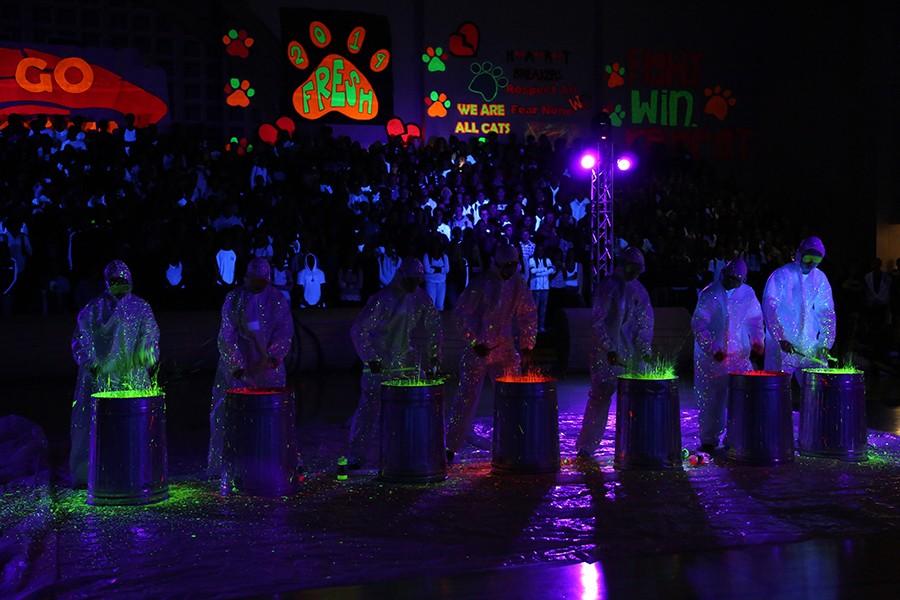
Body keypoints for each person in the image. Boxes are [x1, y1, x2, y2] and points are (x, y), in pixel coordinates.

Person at [70, 260, 160, 486]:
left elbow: (151, 337)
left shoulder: (141, 307)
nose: (120, 286)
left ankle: (133, 471)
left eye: (123, 281)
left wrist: (145, 355)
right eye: (115, 281)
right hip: (100, 382)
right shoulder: (93, 310)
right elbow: (81, 341)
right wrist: (93, 365)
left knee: (134, 428)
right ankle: (91, 475)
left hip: (133, 380)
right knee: (94, 428)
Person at [348, 258, 442, 467]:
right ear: (402, 276)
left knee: (414, 406)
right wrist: (371, 358)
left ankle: (410, 448)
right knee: (370, 408)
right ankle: (357, 453)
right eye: (410, 280)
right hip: (380, 361)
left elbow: (434, 328)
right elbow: (358, 330)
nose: (413, 285)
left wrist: (434, 357)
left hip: (405, 361)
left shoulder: (420, 299)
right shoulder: (383, 299)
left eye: (417, 281)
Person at [447, 243, 537, 460]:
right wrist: (473, 341)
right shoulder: (481, 284)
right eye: (505, 266)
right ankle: (450, 446)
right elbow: (460, 314)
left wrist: (527, 346)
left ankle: (512, 440)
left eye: (512, 266)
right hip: (480, 349)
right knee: (466, 397)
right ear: (496, 264)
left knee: (511, 396)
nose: (509, 270)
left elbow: (528, 315)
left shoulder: (518, 285)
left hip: (504, 347)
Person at [207, 258, 294, 476]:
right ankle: (227, 466)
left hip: (268, 371)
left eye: (261, 282)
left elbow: (284, 332)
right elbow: (227, 335)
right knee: (226, 416)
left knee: (270, 418)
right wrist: (237, 366)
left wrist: (273, 357)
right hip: (236, 372)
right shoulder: (234, 299)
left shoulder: (277, 301)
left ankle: (269, 463)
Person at [576, 248, 654, 459]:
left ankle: (635, 443)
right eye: (634, 268)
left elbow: (644, 324)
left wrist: (644, 350)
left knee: (634, 398)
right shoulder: (608, 288)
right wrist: (608, 348)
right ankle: (587, 446)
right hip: (606, 354)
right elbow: (598, 321)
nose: (636, 272)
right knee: (600, 396)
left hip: (629, 353)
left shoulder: (638, 291)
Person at [691, 258, 765, 452]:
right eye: (730, 277)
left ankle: (735, 437)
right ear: (723, 274)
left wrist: (758, 342)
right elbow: (699, 324)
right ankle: (709, 439)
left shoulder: (747, 294)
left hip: (738, 356)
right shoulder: (710, 294)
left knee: (739, 398)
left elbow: (755, 320)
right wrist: (712, 349)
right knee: (711, 399)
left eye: (737, 279)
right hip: (712, 361)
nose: (732, 282)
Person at [763, 236, 836, 387]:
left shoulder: (820, 278)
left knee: (817, 389)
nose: (811, 263)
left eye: (816, 259)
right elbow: (770, 308)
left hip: (809, 345)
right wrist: (780, 337)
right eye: (809, 257)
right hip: (783, 347)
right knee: (776, 390)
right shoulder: (781, 275)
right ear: (800, 254)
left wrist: (825, 343)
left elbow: (826, 312)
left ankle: (812, 411)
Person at [529, 245, 555, 333]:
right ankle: (534, 327)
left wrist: (539, 271)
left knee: (543, 308)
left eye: (542, 250)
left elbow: (552, 270)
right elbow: (532, 271)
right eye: (539, 250)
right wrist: (545, 270)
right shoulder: (532, 260)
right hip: (536, 288)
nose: (540, 252)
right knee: (535, 308)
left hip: (545, 287)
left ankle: (541, 326)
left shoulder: (547, 260)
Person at [424, 239, 450, 311]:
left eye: (438, 245)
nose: (436, 247)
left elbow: (447, 270)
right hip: (430, 282)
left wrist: (434, 269)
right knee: (430, 303)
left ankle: (439, 321)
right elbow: (427, 270)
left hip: (442, 282)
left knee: (440, 304)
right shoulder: (427, 255)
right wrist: (441, 269)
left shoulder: (444, 256)